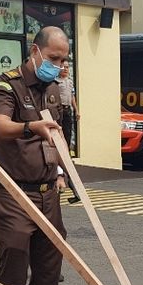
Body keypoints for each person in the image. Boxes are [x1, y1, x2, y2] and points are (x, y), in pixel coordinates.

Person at [0, 26, 76, 285]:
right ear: (35, 51)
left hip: (47, 193)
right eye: (54, 58)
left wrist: (61, 172)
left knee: (47, 274)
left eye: (63, 59)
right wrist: (31, 126)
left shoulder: (54, 88)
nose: (58, 65)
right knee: (14, 276)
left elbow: (58, 135)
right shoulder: (7, 85)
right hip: (13, 194)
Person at [56, 57, 81, 203]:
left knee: (67, 135)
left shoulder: (69, 81)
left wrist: (76, 110)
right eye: (63, 67)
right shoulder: (55, 81)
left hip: (67, 111)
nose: (65, 69)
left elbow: (72, 97)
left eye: (67, 67)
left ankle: (67, 152)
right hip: (58, 111)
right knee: (59, 139)